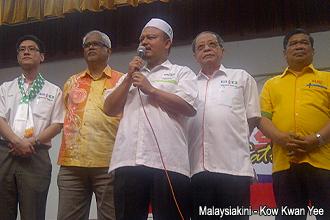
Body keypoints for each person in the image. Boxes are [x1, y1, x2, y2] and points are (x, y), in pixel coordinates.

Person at [103, 18, 197, 220]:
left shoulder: (181, 73)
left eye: (151, 37)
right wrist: (128, 78)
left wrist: (151, 90)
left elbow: (188, 107)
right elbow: (109, 108)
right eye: (142, 38)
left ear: (167, 42)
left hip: (169, 163)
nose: (144, 42)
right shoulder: (127, 77)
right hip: (128, 160)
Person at [259, 28, 330, 219]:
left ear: (313, 51)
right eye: (293, 43)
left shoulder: (327, 79)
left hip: (323, 163)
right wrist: (280, 138)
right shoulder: (271, 84)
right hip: (285, 164)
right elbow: (262, 119)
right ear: (285, 53)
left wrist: (317, 139)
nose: (299, 46)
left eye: (304, 42)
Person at [188, 31, 261, 220]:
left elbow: (252, 118)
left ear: (222, 50)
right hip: (196, 170)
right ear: (195, 56)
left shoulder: (241, 77)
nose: (207, 49)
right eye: (200, 47)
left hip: (234, 169)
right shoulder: (187, 84)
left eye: (212, 44)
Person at [57, 30, 122, 220]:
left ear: (108, 51)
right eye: (87, 45)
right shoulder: (72, 82)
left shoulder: (121, 80)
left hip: (110, 162)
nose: (91, 47)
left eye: (96, 43)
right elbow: (64, 116)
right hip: (72, 165)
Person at [0, 35, 64, 220]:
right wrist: (16, 141)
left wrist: (32, 142)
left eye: (31, 48)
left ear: (42, 57)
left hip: (36, 154)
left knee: (34, 214)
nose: (26, 51)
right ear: (18, 56)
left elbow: (58, 123)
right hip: (5, 152)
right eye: (21, 49)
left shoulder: (54, 91)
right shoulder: (5, 88)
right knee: (3, 211)